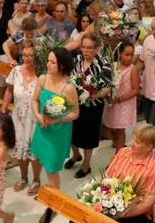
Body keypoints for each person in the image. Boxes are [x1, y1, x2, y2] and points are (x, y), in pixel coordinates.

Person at [29, 48, 79, 193]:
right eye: (48, 61)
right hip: (42, 127)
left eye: (52, 62)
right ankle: (40, 185)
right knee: (39, 159)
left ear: (61, 66)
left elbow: (75, 113)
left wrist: (57, 120)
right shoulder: (43, 79)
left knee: (51, 168)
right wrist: (38, 116)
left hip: (58, 133)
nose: (47, 65)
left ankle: (54, 202)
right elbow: (35, 100)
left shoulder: (68, 88)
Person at [66, 34, 112, 178]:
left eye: (89, 48)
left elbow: (107, 88)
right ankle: (75, 156)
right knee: (71, 132)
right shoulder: (77, 60)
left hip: (92, 107)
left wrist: (92, 95)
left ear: (97, 48)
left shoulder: (103, 64)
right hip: (75, 104)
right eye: (83, 47)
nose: (85, 50)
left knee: (88, 136)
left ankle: (86, 166)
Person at [0, 41, 40, 194]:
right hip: (18, 117)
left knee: (34, 152)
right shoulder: (16, 71)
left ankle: (36, 179)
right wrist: (4, 107)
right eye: (25, 55)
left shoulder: (41, 73)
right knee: (21, 149)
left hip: (35, 117)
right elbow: (9, 90)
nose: (27, 58)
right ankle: (24, 177)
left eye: (31, 55)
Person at [102, 41, 140, 150]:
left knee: (120, 130)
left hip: (125, 103)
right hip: (111, 102)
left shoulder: (132, 69)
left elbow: (136, 89)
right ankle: (120, 144)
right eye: (126, 55)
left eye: (131, 55)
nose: (129, 58)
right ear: (120, 54)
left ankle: (118, 155)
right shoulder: (113, 66)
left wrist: (120, 98)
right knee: (106, 128)